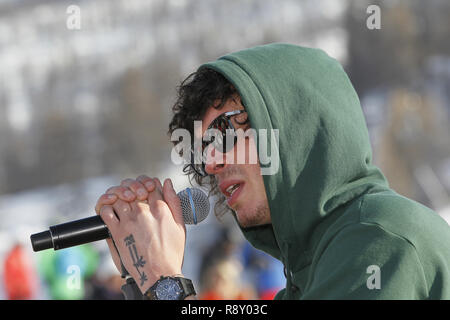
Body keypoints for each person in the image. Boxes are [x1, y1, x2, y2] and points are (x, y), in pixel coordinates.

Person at [95, 43, 450, 299]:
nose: (211, 162)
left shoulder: (380, 241)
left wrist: (165, 283)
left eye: (224, 132)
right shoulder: (311, 272)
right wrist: (140, 275)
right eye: (203, 147)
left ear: (294, 125)